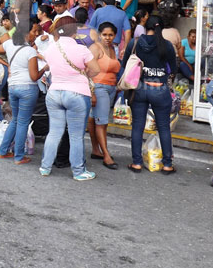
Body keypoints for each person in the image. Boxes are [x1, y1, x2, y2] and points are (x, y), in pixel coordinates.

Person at [39, 16, 100, 180]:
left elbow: (51, 66)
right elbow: (96, 69)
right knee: (75, 135)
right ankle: (78, 171)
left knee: (54, 132)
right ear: (75, 31)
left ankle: (45, 167)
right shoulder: (82, 50)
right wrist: (83, 74)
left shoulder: (50, 49)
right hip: (77, 94)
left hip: (54, 93)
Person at [122, 15, 177, 174]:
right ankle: (167, 165)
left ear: (146, 27)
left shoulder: (135, 42)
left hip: (139, 87)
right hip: (160, 89)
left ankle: (137, 163)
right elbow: (173, 69)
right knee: (164, 127)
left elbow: (126, 63)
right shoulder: (166, 45)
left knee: (138, 126)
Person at [0, 27, 47, 164]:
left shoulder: (9, 44)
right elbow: (34, 77)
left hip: (13, 87)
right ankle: (19, 156)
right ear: (26, 34)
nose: (36, 35)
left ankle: (3, 151)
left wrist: (7, 65)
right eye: (34, 32)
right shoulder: (30, 51)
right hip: (27, 88)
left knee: (15, 120)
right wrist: (44, 69)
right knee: (23, 122)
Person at [87, 22, 120, 169]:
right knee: (102, 122)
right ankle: (106, 155)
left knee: (95, 120)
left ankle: (96, 150)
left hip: (111, 88)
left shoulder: (113, 49)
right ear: (100, 35)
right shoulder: (95, 48)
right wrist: (92, 92)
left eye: (111, 35)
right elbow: (87, 70)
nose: (107, 38)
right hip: (99, 87)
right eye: (105, 35)